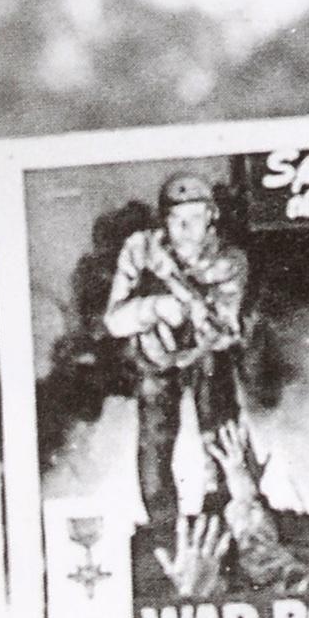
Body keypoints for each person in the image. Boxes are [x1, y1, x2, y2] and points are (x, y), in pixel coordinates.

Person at [103, 168, 265, 583]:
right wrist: (155, 308)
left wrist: (200, 317)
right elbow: (115, 320)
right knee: (156, 443)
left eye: (194, 218)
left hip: (208, 355)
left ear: (212, 217)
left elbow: (227, 328)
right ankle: (164, 535)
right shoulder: (140, 250)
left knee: (221, 433)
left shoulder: (229, 263)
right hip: (155, 355)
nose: (184, 229)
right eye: (175, 219)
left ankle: (230, 528)